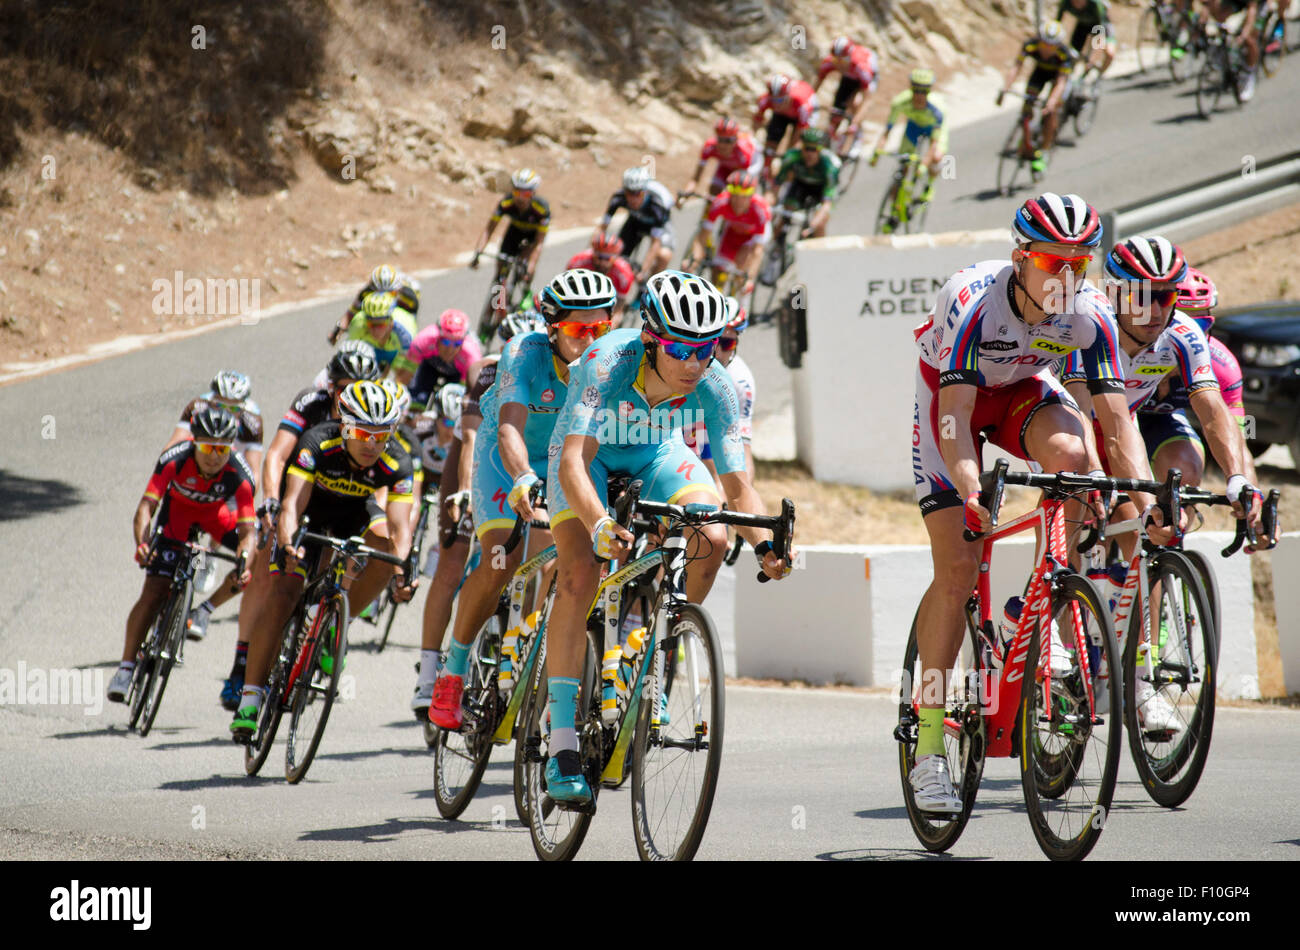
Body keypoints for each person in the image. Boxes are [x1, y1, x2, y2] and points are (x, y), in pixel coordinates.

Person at [907, 193, 1179, 814]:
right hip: (949, 407)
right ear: (1021, 258)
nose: (1068, 280)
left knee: (1075, 458)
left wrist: (1144, 497)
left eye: (1080, 265)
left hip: (1023, 393)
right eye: (1055, 264)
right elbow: (952, 418)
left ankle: (1049, 602)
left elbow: (1117, 425)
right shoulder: (976, 302)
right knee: (955, 572)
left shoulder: (1088, 312)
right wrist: (971, 489)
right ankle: (926, 748)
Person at [541, 271, 793, 802]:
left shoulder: (714, 384)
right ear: (652, 341)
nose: (694, 362)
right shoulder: (606, 362)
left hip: (658, 455)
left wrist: (766, 544)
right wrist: (600, 523)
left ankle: (651, 651)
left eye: (705, 348)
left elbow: (736, 486)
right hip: (586, 460)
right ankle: (561, 738)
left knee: (714, 537)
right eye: (680, 348)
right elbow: (572, 463)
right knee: (580, 574)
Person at [425, 269, 619, 730]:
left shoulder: (611, 361)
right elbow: (509, 427)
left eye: (601, 328)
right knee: (499, 560)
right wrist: (524, 476)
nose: (590, 338)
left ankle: (552, 658)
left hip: (566, 459)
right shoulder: (524, 354)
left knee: (583, 559)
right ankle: (451, 673)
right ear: (552, 329)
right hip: (505, 456)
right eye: (578, 330)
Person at [231, 381, 418, 742]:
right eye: (363, 433)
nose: (371, 445)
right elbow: (291, 506)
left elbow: (400, 527)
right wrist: (286, 544)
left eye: (381, 435)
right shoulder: (317, 441)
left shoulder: (398, 459)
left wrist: (403, 570)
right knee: (284, 593)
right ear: (345, 426)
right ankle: (250, 698)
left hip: (354, 512)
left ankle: (336, 621)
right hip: (309, 510)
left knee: (385, 551)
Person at [219, 344, 380, 711]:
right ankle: (241, 664)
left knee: (334, 566)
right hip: (300, 490)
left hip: (340, 498)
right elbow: (276, 454)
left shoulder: (372, 415)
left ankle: (323, 629)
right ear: (331, 388)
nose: (350, 395)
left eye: (361, 386)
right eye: (343, 388)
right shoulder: (311, 402)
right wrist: (272, 501)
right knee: (267, 576)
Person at [108, 407, 256, 703]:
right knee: (154, 592)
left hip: (217, 518)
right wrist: (142, 544)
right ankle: (125, 668)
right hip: (177, 516)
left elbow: (248, 533)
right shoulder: (174, 459)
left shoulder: (240, 475)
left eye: (222, 448)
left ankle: (204, 611)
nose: (214, 455)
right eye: (206, 447)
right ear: (194, 443)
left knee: (256, 564)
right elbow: (146, 509)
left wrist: (244, 563)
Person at [411, 355, 502, 719]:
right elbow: (470, 438)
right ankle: (429, 673)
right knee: (452, 564)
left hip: (519, 469)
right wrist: (465, 490)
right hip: (472, 460)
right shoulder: (492, 371)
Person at [165, 370, 265, 641]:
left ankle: (205, 607)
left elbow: (253, 474)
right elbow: (175, 444)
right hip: (197, 468)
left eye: (234, 408)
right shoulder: (197, 408)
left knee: (254, 549)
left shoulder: (252, 422)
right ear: (211, 400)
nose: (228, 412)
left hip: (229, 475)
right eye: (220, 405)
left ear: (244, 406)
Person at [683, 296, 757, 488]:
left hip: (706, 441)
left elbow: (743, 451)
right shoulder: (680, 361)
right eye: (713, 342)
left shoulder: (740, 380)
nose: (718, 352)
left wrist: (742, 501)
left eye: (727, 344)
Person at [996, 22, 1079, 174]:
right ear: (1039, 39)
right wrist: (1005, 88)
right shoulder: (1030, 45)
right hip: (1039, 74)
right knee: (1028, 104)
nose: (1047, 48)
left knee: (1050, 111)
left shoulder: (1064, 54)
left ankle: (1045, 151)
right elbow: (1016, 67)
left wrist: (1052, 101)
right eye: (1044, 44)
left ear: (1057, 45)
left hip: (1058, 78)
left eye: (1051, 46)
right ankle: (1027, 138)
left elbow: (1061, 82)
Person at [869, 68, 949, 214]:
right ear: (911, 88)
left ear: (929, 91)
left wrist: (923, 166)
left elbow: (934, 144)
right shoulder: (900, 102)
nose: (919, 95)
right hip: (914, 127)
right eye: (916, 90)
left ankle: (929, 186)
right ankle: (895, 209)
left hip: (934, 130)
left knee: (936, 157)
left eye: (924, 91)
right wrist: (876, 153)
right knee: (904, 167)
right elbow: (887, 132)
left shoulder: (938, 110)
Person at [686, 170, 772, 295]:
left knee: (741, 270)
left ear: (751, 196)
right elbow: (702, 236)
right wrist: (693, 259)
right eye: (735, 196)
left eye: (743, 197)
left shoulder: (760, 210)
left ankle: (743, 304)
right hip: (733, 230)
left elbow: (757, 250)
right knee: (717, 269)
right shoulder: (721, 202)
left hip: (753, 237)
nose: (738, 202)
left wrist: (750, 277)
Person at [471, 168, 550, 289]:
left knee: (526, 266)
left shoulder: (542, 209)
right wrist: (478, 252)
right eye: (517, 192)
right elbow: (489, 230)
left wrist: (531, 266)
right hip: (514, 232)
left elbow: (539, 243)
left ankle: (526, 290)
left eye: (526, 194)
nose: (521, 198)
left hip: (532, 237)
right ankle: (499, 298)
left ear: (533, 193)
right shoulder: (505, 203)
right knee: (500, 270)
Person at [597, 167, 675, 283]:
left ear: (645, 191)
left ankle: (650, 288)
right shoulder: (618, 198)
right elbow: (601, 228)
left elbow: (655, 242)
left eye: (637, 193)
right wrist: (592, 252)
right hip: (635, 222)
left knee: (663, 256)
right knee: (615, 255)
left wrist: (643, 271)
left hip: (658, 226)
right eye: (629, 193)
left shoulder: (657, 205)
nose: (633, 198)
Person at [769, 128, 839, 241]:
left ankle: (818, 251)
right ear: (801, 147)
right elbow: (776, 185)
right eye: (807, 148)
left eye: (814, 149)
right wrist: (768, 206)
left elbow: (827, 203)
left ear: (821, 150)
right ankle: (774, 248)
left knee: (820, 225)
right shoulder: (791, 157)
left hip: (821, 189)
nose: (809, 154)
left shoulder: (829, 167)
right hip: (800, 185)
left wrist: (813, 225)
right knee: (786, 213)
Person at [406, 308, 484, 409]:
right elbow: (405, 374)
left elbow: (467, 395)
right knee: (416, 402)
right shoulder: (423, 340)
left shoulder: (472, 356)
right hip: (429, 367)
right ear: (438, 336)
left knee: (451, 409)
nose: (450, 349)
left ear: (463, 341)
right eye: (446, 342)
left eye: (457, 343)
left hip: (457, 375)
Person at [812, 36, 878, 153]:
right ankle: (831, 135)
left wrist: (855, 122)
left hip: (864, 75)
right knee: (837, 108)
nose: (840, 64)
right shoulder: (829, 62)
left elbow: (867, 99)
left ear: (849, 57)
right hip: (849, 76)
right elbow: (814, 88)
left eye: (843, 61)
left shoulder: (861, 66)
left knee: (855, 102)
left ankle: (856, 136)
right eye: (837, 61)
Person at [679, 117, 764, 203]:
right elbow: (695, 179)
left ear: (736, 140)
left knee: (736, 199)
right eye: (720, 139)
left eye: (728, 140)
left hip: (750, 166)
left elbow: (740, 182)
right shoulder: (709, 147)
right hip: (726, 166)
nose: (723, 145)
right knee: (713, 191)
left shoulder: (743, 153)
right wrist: (685, 195)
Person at [329, 264, 421, 344]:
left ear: (397, 290)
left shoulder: (408, 297)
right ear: (372, 289)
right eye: (378, 292)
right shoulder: (366, 293)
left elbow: (411, 323)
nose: (384, 297)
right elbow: (351, 312)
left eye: (390, 293)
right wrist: (337, 331)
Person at [342, 290, 418, 385]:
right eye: (370, 324)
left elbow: (407, 368)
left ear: (390, 322)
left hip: (397, 352)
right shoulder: (358, 323)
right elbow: (348, 358)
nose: (375, 330)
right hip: (372, 351)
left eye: (380, 325)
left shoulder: (406, 330)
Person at [752, 74, 818, 181]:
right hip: (782, 114)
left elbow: (799, 132)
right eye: (773, 100)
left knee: (794, 148)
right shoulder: (765, 100)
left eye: (780, 100)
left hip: (802, 113)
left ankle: (787, 173)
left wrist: (790, 153)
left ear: (788, 95)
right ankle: (765, 172)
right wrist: (755, 140)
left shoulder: (802, 104)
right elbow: (757, 122)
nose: (776, 103)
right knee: (770, 144)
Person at [566, 232, 637, 324]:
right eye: (599, 257)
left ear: (616, 257)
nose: (602, 262)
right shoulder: (578, 262)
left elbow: (619, 305)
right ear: (593, 253)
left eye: (607, 259)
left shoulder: (624, 273)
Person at [1057, 0, 1116, 74]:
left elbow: (1101, 29)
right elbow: (1057, 22)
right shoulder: (1066, 2)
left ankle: (1099, 74)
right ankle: (1069, 75)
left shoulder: (1094, 4)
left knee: (1109, 54)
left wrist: (1094, 56)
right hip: (1083, 24)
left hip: (1101, 26)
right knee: (1073, 53)